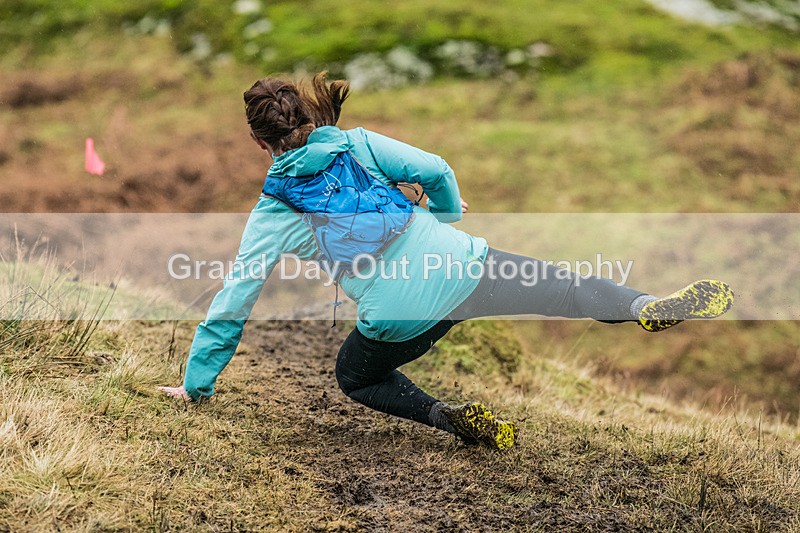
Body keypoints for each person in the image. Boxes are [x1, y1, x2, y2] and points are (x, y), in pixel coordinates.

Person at [158, 72, 734, 450]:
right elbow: (435, 168)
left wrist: (197, 385)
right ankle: (645, 305)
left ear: (260, 142)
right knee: (568, 289)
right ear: (307, 117)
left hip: (399, 314)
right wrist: (447, 214)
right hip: (463, 265)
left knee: (355, 376)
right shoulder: (356, 142)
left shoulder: (272, 209)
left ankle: (448, 417)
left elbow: (234, 300)